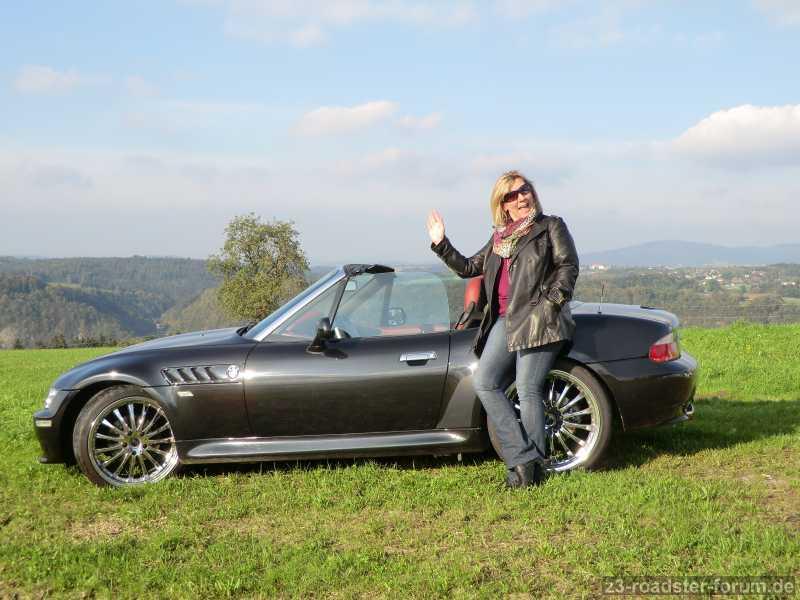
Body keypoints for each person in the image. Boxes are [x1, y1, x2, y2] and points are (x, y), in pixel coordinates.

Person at [426, 170, 579, 488]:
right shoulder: (499, 239)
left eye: (525, 190)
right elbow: (470, 267)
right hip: (505, 320)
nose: (521, 197)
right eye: (512, 195)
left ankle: (529, 473)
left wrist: (550, 304)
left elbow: (568, 266)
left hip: (538, 319)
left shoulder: (550, 226)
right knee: (485, 382)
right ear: (503, 205)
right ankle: (524, 459)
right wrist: (441, 244)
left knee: (527, 387)